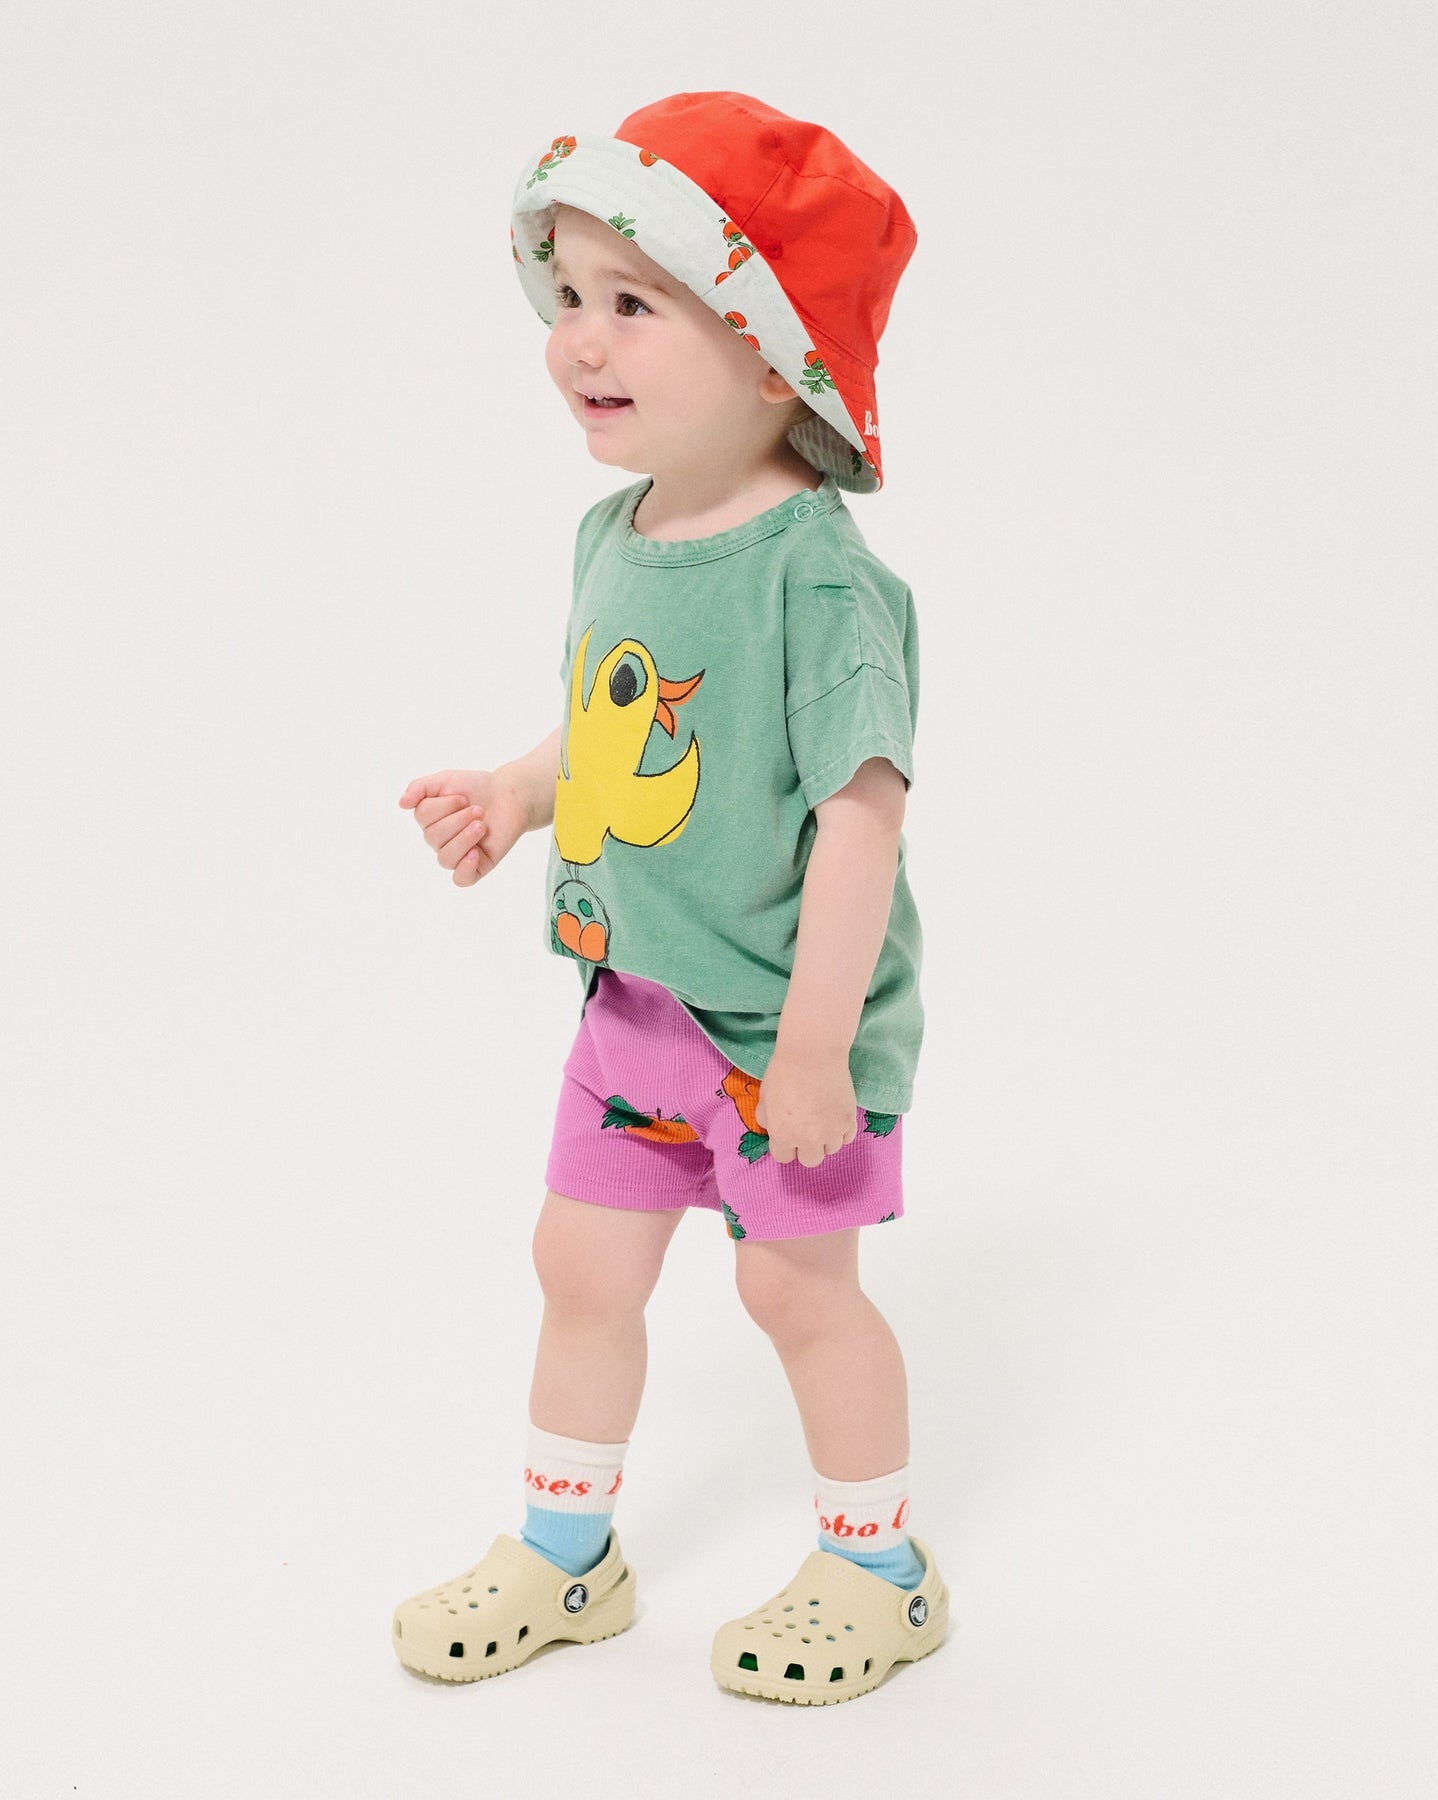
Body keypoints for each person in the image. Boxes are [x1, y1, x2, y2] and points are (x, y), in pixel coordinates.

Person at [390, 92, 949, 1706]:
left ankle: (882, 1572)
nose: (578, 337)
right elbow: (616, 729)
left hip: (782, 1031)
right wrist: (520, 793)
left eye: (634, 302)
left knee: (794, 1289)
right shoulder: (615, 534)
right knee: (581, 1266)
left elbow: (861, 827)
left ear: (776, 356)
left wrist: (819, 1050)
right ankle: (568, 1553)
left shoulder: (821, 578)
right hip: (634, 1006)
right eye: (568, 295)